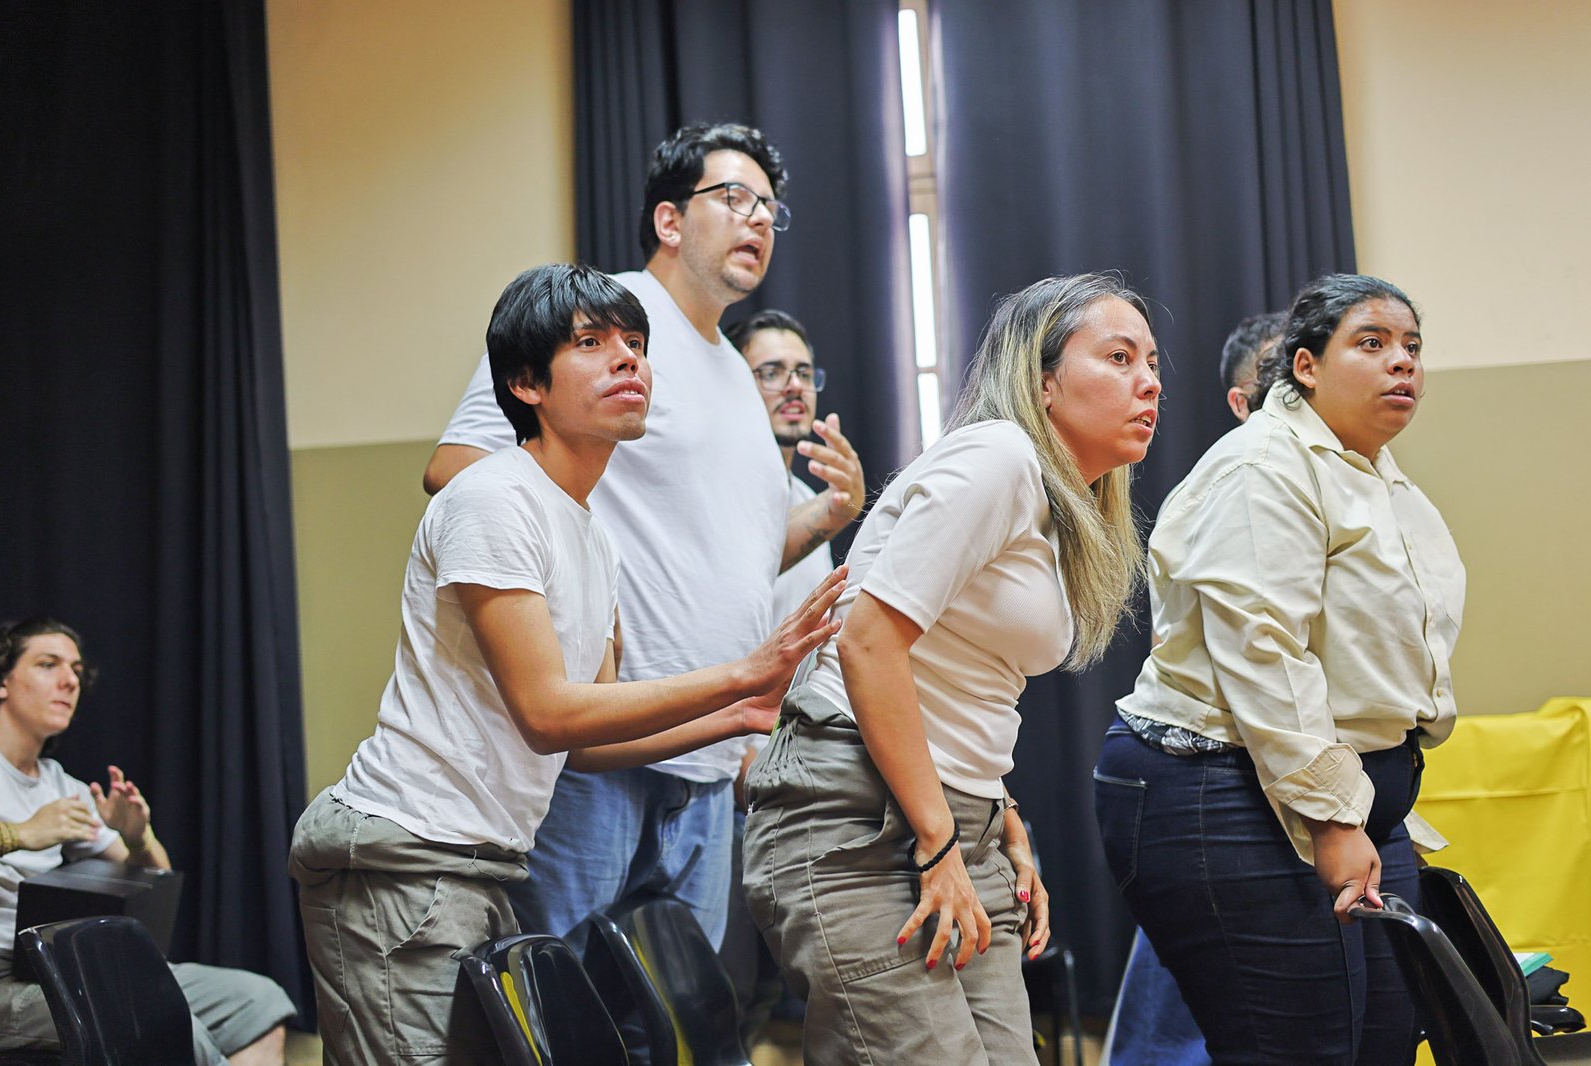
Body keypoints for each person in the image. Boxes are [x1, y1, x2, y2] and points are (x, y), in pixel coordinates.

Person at [290, 263, 844, 1064]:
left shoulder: (589, 534)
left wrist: (734, 717)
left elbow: (580, 743)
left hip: (481, 864)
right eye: (592, 344)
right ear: (525, 384)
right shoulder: (492, 499)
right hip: (399, 856)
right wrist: (738, 674)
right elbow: (547, 711)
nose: (629, 361)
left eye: (635, 344)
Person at [419, 123, 866, 953]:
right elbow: (457, 468)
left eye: (770, 208)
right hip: (602, 752)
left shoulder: (737, 374)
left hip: (704, 756)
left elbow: (737, 556)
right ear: (669, 221)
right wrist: (584, 598)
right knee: (569, 1009)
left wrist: (827, 519)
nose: (758, 219)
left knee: (675, 1026)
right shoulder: (603, 326)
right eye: (734, 198)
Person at [745, 273, 1162, 1063]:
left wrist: (990, 809)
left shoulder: (1049, 499)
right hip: (854, 816)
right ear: (1043, 383)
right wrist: (941, 841)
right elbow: (866, 642)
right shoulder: (997, 459)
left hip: (948, 818)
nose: (1149, 381)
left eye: (1151, 363)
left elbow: (953, 675)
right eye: (1118, 357)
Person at [1094, 274, 1462, 1065]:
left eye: (1412, 347)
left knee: (1387, 1038)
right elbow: (1263, 650)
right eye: (1372, 343)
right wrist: (1332, 815)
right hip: (1222, 786)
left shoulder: (1373, 475)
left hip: (1338, 790)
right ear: (1304, 367)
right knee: (1302, 1049)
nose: (1402, 363)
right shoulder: (1265, 464)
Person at [1102, 308, 1284, 1066]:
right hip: (1216, 775)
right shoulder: (1240, 480)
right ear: (1242, 403)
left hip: (1280, 778)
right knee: (1193, 1030)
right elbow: (1262, 665)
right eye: (1284, 373)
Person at [0, 618, 294, 1065]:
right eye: (47, 664)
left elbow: (156, 878)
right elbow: (29, 832)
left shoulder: (64, 788)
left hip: (53, 970)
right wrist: (22, 834)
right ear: (2, 681)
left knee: (257, 1001)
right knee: (152, 1016)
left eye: (75, 669)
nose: (69, 680)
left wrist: (138, 838)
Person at [717, 308, 835, 1044]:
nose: (793, 387)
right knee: (714, 1000)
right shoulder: (719, 501)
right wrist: (741, 763)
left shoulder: (801, 501)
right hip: (733, 780)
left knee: (760, 1000)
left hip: (788, 783)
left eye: (802, 372)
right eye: (770, 372)